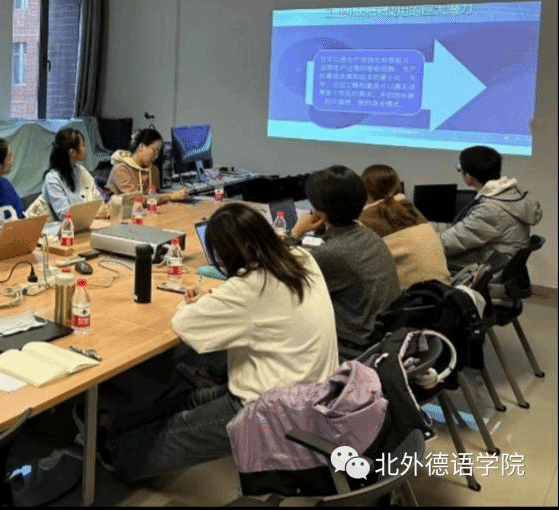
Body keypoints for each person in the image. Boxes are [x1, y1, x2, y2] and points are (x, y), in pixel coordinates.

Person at [107, 203, 338, 481]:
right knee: (189, 400)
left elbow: (185, 325)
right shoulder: (301, 258)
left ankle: (112, 452)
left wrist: (190, 304)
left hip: (270, 410)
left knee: (149, 443)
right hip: (310, 390)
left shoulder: (250, 287)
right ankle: (115, 426)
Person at [290, 165, 400, 355]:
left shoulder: (333, 253)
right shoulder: (368, 235)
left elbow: (280, 275)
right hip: (379, 335)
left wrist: (295, 232)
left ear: (320, 211)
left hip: (352, 345)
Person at [436, 145, 542, 273]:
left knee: (426, 256)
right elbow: (461, 228)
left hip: (488, 271)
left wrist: (418, 239)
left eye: (460, 169)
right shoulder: (509, 194)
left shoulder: (491, 210)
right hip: (496, 262)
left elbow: (447, 244)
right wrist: (426, 227)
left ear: (469, 177)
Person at [359, 164, 449, 290]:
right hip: (443, 292)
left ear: (365, 190)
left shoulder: (367, 218)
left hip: (411, 297)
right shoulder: (411, 210)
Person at [28, 128, 109, 221]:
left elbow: (99, 201)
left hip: (87, 223)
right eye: (83, 145)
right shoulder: (52, 179)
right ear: (72, 152)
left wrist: (100, 210)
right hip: (63, 228)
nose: (86, 148)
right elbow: (65, 215)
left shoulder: (82, 171)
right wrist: (90, 214)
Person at [105, 128, 188, 203]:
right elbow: (136, 199)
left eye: (158, 153)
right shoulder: (121, 169)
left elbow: (154, 195)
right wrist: (170, 196)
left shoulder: (153, 170)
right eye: (154, 151)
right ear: (141, 147)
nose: (156, 157)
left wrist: (175, 195)